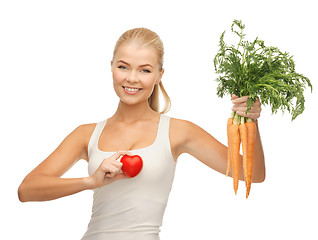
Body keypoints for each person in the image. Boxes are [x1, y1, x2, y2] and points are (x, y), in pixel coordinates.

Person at [18, 28, 265, 240]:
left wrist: (251, 123)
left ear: (159, 75)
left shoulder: (178, 131)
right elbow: (26, 190)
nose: (132, 78)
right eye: (123, 67)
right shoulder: (86, 134)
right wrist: (89, 182)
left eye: (145, 70)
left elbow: (254, 175)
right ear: (112, 67)